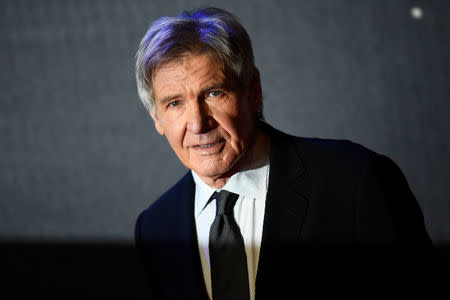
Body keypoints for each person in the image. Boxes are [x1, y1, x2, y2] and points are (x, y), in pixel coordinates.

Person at [134, 7, 434, 300]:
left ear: (252, 91)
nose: (198, 123)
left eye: (214, 93)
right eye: (174, 103)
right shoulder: (155, 226)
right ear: (156, 118)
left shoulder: (357, 182)